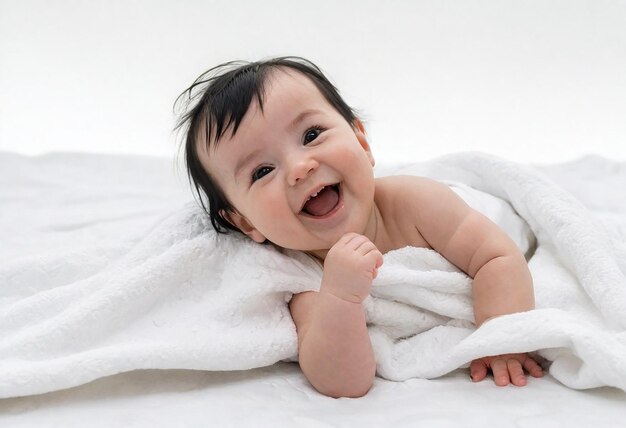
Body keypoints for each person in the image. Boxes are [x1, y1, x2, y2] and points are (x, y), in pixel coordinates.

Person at [175, 57, 544, 398]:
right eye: (262, 171)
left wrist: (502, 337)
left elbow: (497, 257)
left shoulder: (416, 202)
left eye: (311, 135)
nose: (300, 167)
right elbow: (343, 382)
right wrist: (340, 297)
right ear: (245, 222)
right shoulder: (298, 276)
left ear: (361, 142)